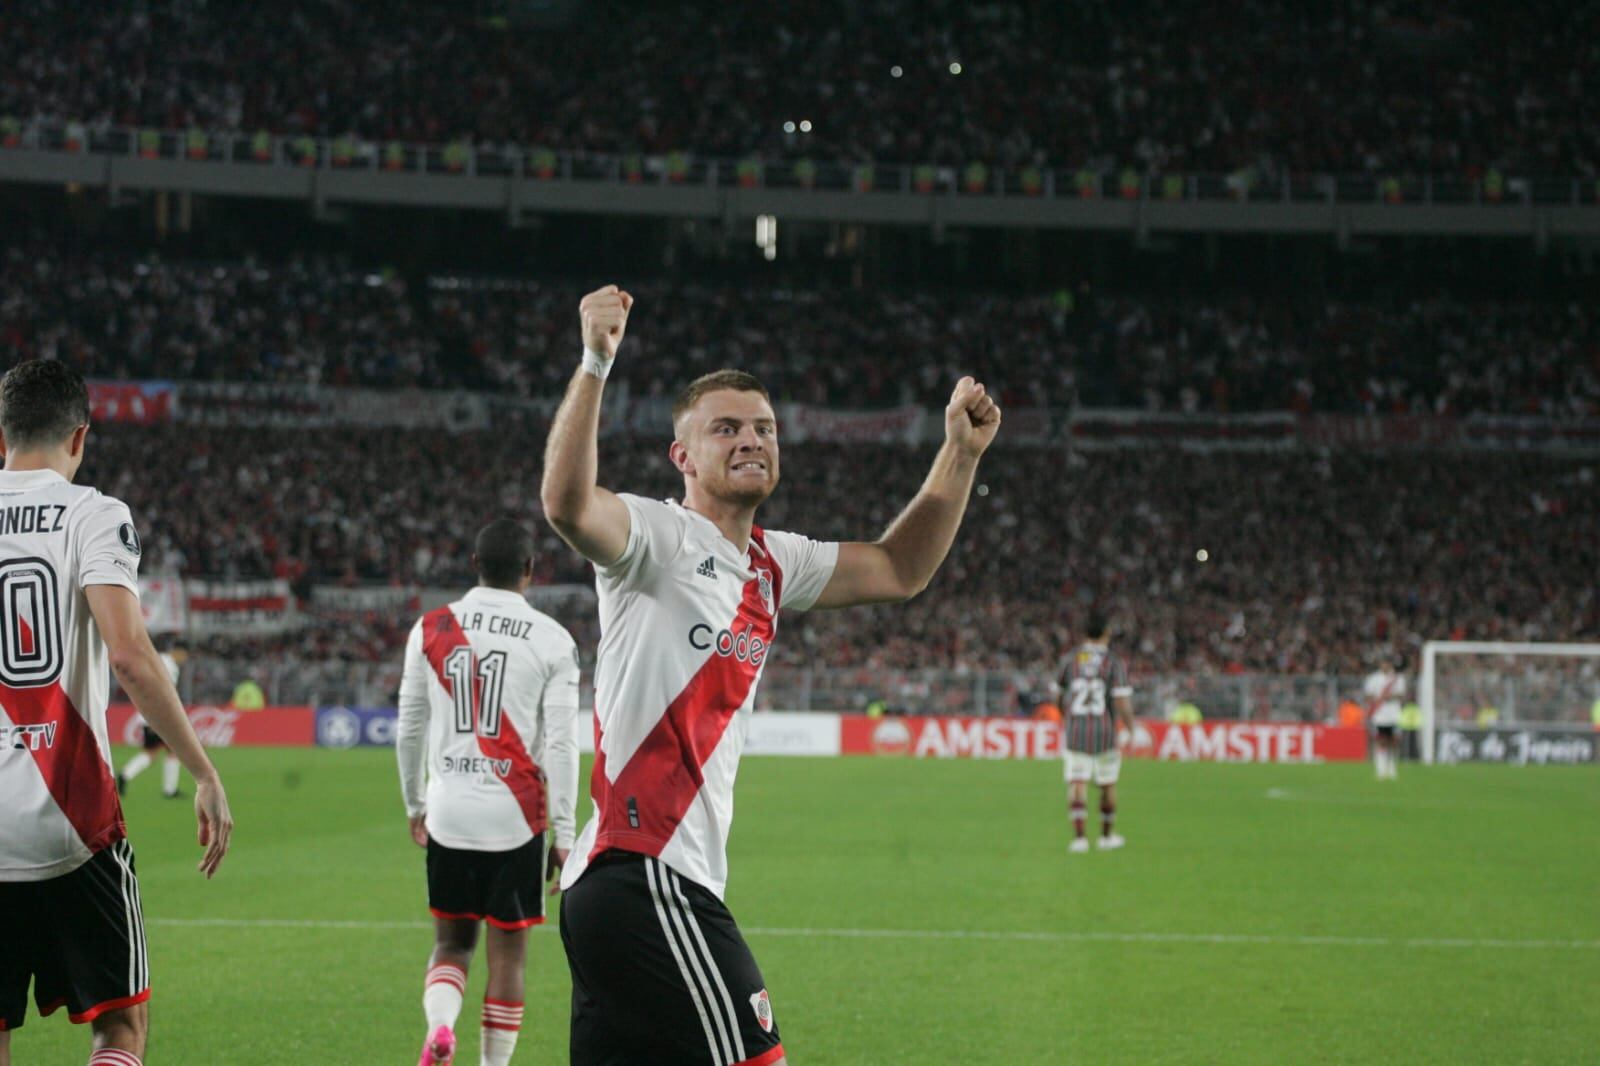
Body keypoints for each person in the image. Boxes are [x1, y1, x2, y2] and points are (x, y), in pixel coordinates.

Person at [541, 284, 1000, 1066]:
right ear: (683, 458)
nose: (751, 439)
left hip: (627, 889)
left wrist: (960, 454)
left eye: (764, 428)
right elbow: (567, 505)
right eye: (726, 428)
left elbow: (899, 568)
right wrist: (595, 361)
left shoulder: (773, 563)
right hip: (646, 873)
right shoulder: (657, 536)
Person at [0, 359, 233, 1066]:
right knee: (120, 1028)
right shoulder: (94, 514)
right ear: (79, 437)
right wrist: (203, 771)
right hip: (72, 819)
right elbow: (130, 655)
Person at [396, 519, 580, 1066]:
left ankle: (440, 1027)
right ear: (530, 570)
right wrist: (565, 835)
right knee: (509, 957)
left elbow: (409, 727)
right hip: (516, 817)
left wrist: (415, 804)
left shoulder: (431, 627)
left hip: (449, 811)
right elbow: (562, 745)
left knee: (452, 944)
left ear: (475, 564)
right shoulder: (553, 638)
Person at [1055, 613, 1134, 853]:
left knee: (1077, 782)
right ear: (1106, 634)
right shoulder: (1114, 662)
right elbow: (1121, 702)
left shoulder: (1070, 660)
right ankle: (1106, 837)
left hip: (1076, 731)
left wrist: (1067, 717)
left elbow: (1058, 696)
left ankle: (1079, 839)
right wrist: (1131, 727)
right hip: (1105, 732)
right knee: (1108, 783)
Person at [116, 638, 188, 798]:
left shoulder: (160, 661)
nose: (185, 658)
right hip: (158, 716)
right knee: (171, 751)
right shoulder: (168, 665)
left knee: (153, 752)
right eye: (185, 655)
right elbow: (164, 692)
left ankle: (125, 774)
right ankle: (169, 789)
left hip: (149, 715)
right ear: (179, 651)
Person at [1363, 653, 1406, 780]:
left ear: (1391, 664)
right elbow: (1368, 696)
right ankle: (1380, 768)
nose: (1385, 665)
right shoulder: (1373, 678)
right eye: (1383, 663)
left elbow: (1401, 695)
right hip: (1379, 715)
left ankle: (1391, 767)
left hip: (1394, 714)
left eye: (1387, 663)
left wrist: (1389, 696)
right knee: (1381, 740)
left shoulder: (1398, 678)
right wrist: (1378, 698)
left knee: (1393, 741)